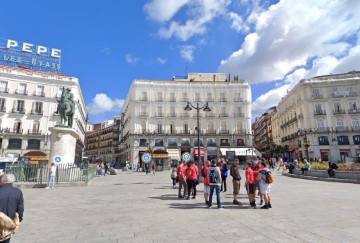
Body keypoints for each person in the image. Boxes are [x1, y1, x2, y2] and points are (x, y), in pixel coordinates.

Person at [0, 174, 24, 243]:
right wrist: (18, 220)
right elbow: (20, 209)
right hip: (9, 223)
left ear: (2, 180)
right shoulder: (18, 192)